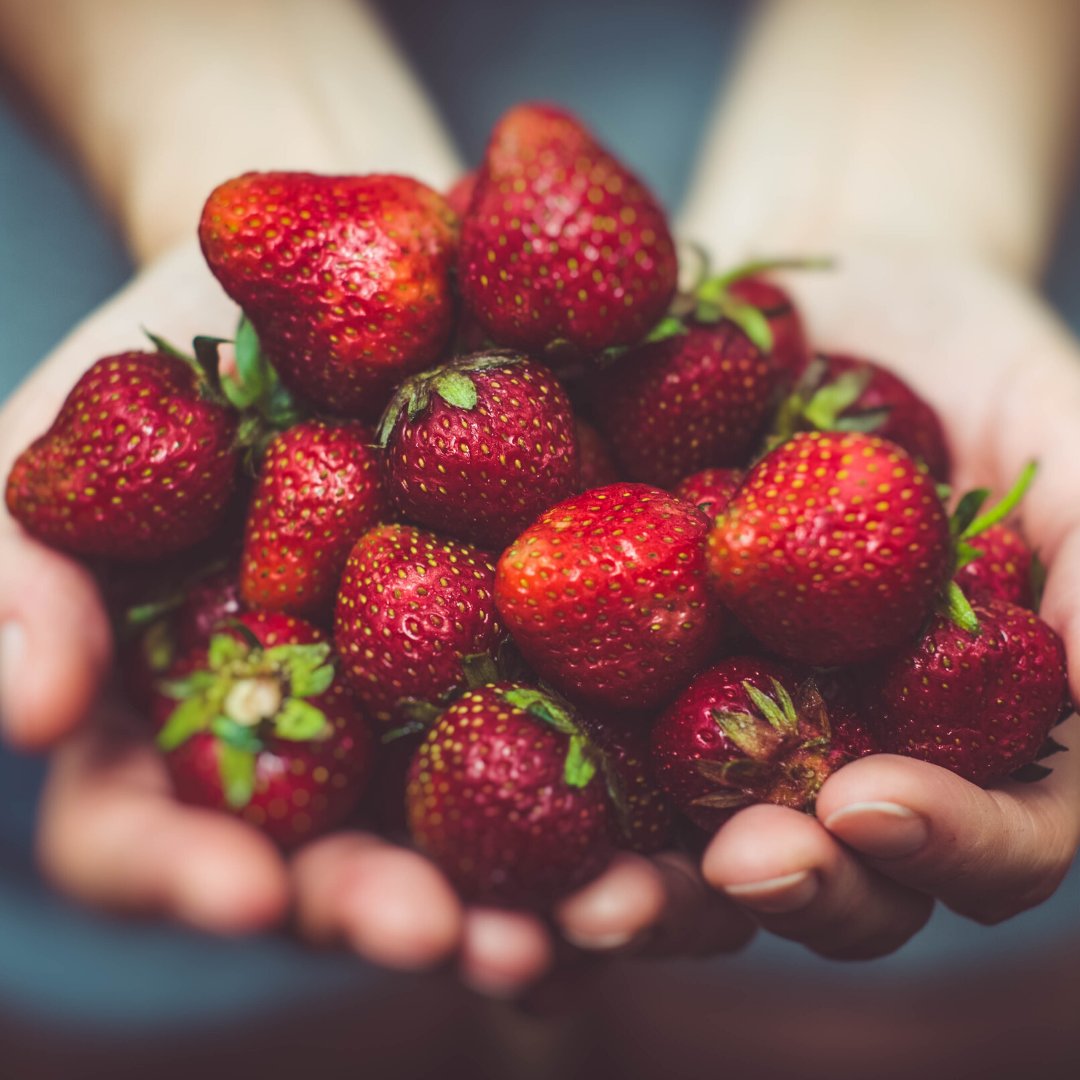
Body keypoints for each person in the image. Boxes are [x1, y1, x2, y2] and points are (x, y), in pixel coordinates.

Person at [1, 0, 1079, 1007]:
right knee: (189, 982)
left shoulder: (692, 521)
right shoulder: (518, 496)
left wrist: (900, 196)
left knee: (888, 958)